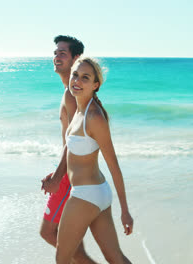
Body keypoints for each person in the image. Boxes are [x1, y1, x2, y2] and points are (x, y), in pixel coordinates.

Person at [54, 57, 134, 264]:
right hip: (96, 193)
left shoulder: (94, 117)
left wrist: (125, 211)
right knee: (115, 257)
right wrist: (56, 175)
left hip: (85, 195)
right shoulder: (80, 110)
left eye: (85, 78)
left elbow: (114, 165)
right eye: (75, 75)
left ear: (95, 85)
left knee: (62, 258)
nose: (77, 81)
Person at [40, 35, 96, 264]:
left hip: (72, 175)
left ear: (76, 58)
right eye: (56, 52)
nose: (57, 57)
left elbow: (73, 140)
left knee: (49, 233)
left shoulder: (72, 94)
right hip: (72, 171)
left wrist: (59, 176)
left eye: (63, 53)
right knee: (71, 240)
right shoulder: (69, 92)